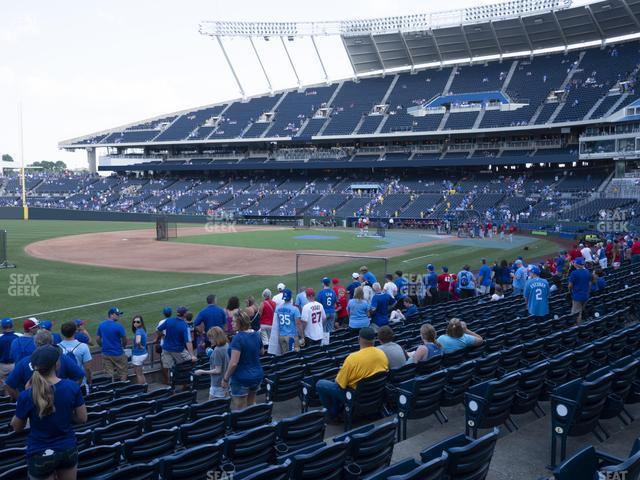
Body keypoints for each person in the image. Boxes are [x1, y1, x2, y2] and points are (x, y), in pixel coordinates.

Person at [11, 345, 87, 480]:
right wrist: (63, 415)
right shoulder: (71, 387)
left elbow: (17, 427)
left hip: (40, 453)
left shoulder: (27, 395)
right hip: (67, 448)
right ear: (57, 364)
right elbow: (82, 418)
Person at [316, 327, 388, 422]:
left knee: (320, 384)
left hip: (354, 397)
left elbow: (340, 384)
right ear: (374, 340)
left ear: (359, 339)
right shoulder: (382, 354)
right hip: (375, 396)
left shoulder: (352, 359)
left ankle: (332, 416)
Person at [5, 330, 85, 400]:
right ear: (51, 342)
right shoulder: (62, 358)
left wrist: (22, 399)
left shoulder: (24, 362)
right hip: (60, 404)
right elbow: (79, 376)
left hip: (35, 408)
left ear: (35, 343)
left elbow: (9, 385)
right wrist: (70, 392)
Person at [221, 311, 264, 410]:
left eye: (234, 322)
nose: (232, 323)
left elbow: (233, 363)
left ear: (240, 323)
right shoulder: (256, 334)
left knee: (241, 409)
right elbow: (261, 352)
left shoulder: (238, 338)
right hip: (257, 375)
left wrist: (225, 379)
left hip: (241, 378)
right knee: (251, 404)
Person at [157, 306, 197, 384]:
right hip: (178, 350)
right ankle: (184, 384)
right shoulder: (184, 326)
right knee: (188, 364)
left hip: (166, 349)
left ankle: (168, 383)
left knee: (166, 367)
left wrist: (162, 336)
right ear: (184, 314)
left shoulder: (169, 320)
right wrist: (192, 355)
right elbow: (188, 342)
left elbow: (158, 330)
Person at [194, 327, 230, 399]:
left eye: (211, 338)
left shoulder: (217, 350)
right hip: (226, 380)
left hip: (217, 383)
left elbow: (217, 370)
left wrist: (202, 371)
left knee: (211, 406)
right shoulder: (227, 345)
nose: (209, 340)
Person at [58, 322, 92, 395]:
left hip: (63, 385)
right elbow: (87, 369)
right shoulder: (83, 346)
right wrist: (89, 381)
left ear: (62, 333)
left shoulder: (56, 348)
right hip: (81, 384)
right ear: (75, 331)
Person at [96, 307, 128, 381]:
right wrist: (124, 346)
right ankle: (122, 388)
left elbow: (97, 339)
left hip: (106, 354)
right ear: (111, 315)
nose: (118, 316)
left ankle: (111, 390)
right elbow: (124, 340)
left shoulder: (101, 325)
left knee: (109, 375)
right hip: (118, 353)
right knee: (123, 373)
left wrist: (102, 345)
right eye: (117, 314)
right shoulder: (119, 326)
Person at [275, 289, 303, 353]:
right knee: (293, 357)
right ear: (290, 297)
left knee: (285, 358)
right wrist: (302, 337)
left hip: (281, 336)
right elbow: (298, 324)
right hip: (291, 337)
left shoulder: (277, 308)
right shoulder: (295, 309)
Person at [568, 257, 593, 323]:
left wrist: (570, 291)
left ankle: (579, 329)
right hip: (586, 296)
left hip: (577, 297)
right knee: (581, 311)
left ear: (577, 264)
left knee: (576, 315)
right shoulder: (587, 271)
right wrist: (588, 292)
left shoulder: (574, 273)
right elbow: (590, 284)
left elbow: (570, 286)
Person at [155, 307, 173, 385]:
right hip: (173, 344)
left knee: (164, 363)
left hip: (164, 344)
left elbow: (158, 332)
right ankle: (173, 378)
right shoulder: (174, 321)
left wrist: (157, 339)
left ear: (164, 313)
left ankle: (167, 380)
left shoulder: (161, 322)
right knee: (174, 363)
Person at [0, 318, 19, 388]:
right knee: (14, 385)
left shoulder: (1, 339)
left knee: (2, 386)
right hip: (14, 364)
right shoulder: (17, 337)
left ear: (2, 327)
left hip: (2, 366)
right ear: (12, 325)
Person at [130, 315, 148, 385]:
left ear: (141, 323)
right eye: (134, 322)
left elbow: (138, 341)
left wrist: (140, 346)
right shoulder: (143, 330)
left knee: (138, 374)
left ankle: (141, 390)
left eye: (138, 322)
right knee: (140, 373)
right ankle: (145, 385)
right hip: (143, 353)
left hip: (138, 355)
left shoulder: (138, 332)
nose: (135, 323)